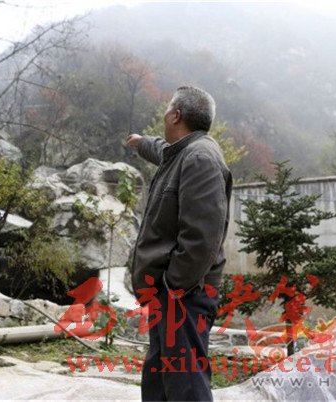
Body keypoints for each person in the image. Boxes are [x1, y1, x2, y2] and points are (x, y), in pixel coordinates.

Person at [126, 86, 233, 401]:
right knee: (159, 380)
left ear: (175, 115)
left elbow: (201, 239)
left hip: (184, 295)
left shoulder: (200, 158)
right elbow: (161, 149)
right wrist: (141, 143)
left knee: (185, 386)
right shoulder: (182, 152)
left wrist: (173, 286)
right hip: (171, 294)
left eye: (167, 109)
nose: (164, 114)